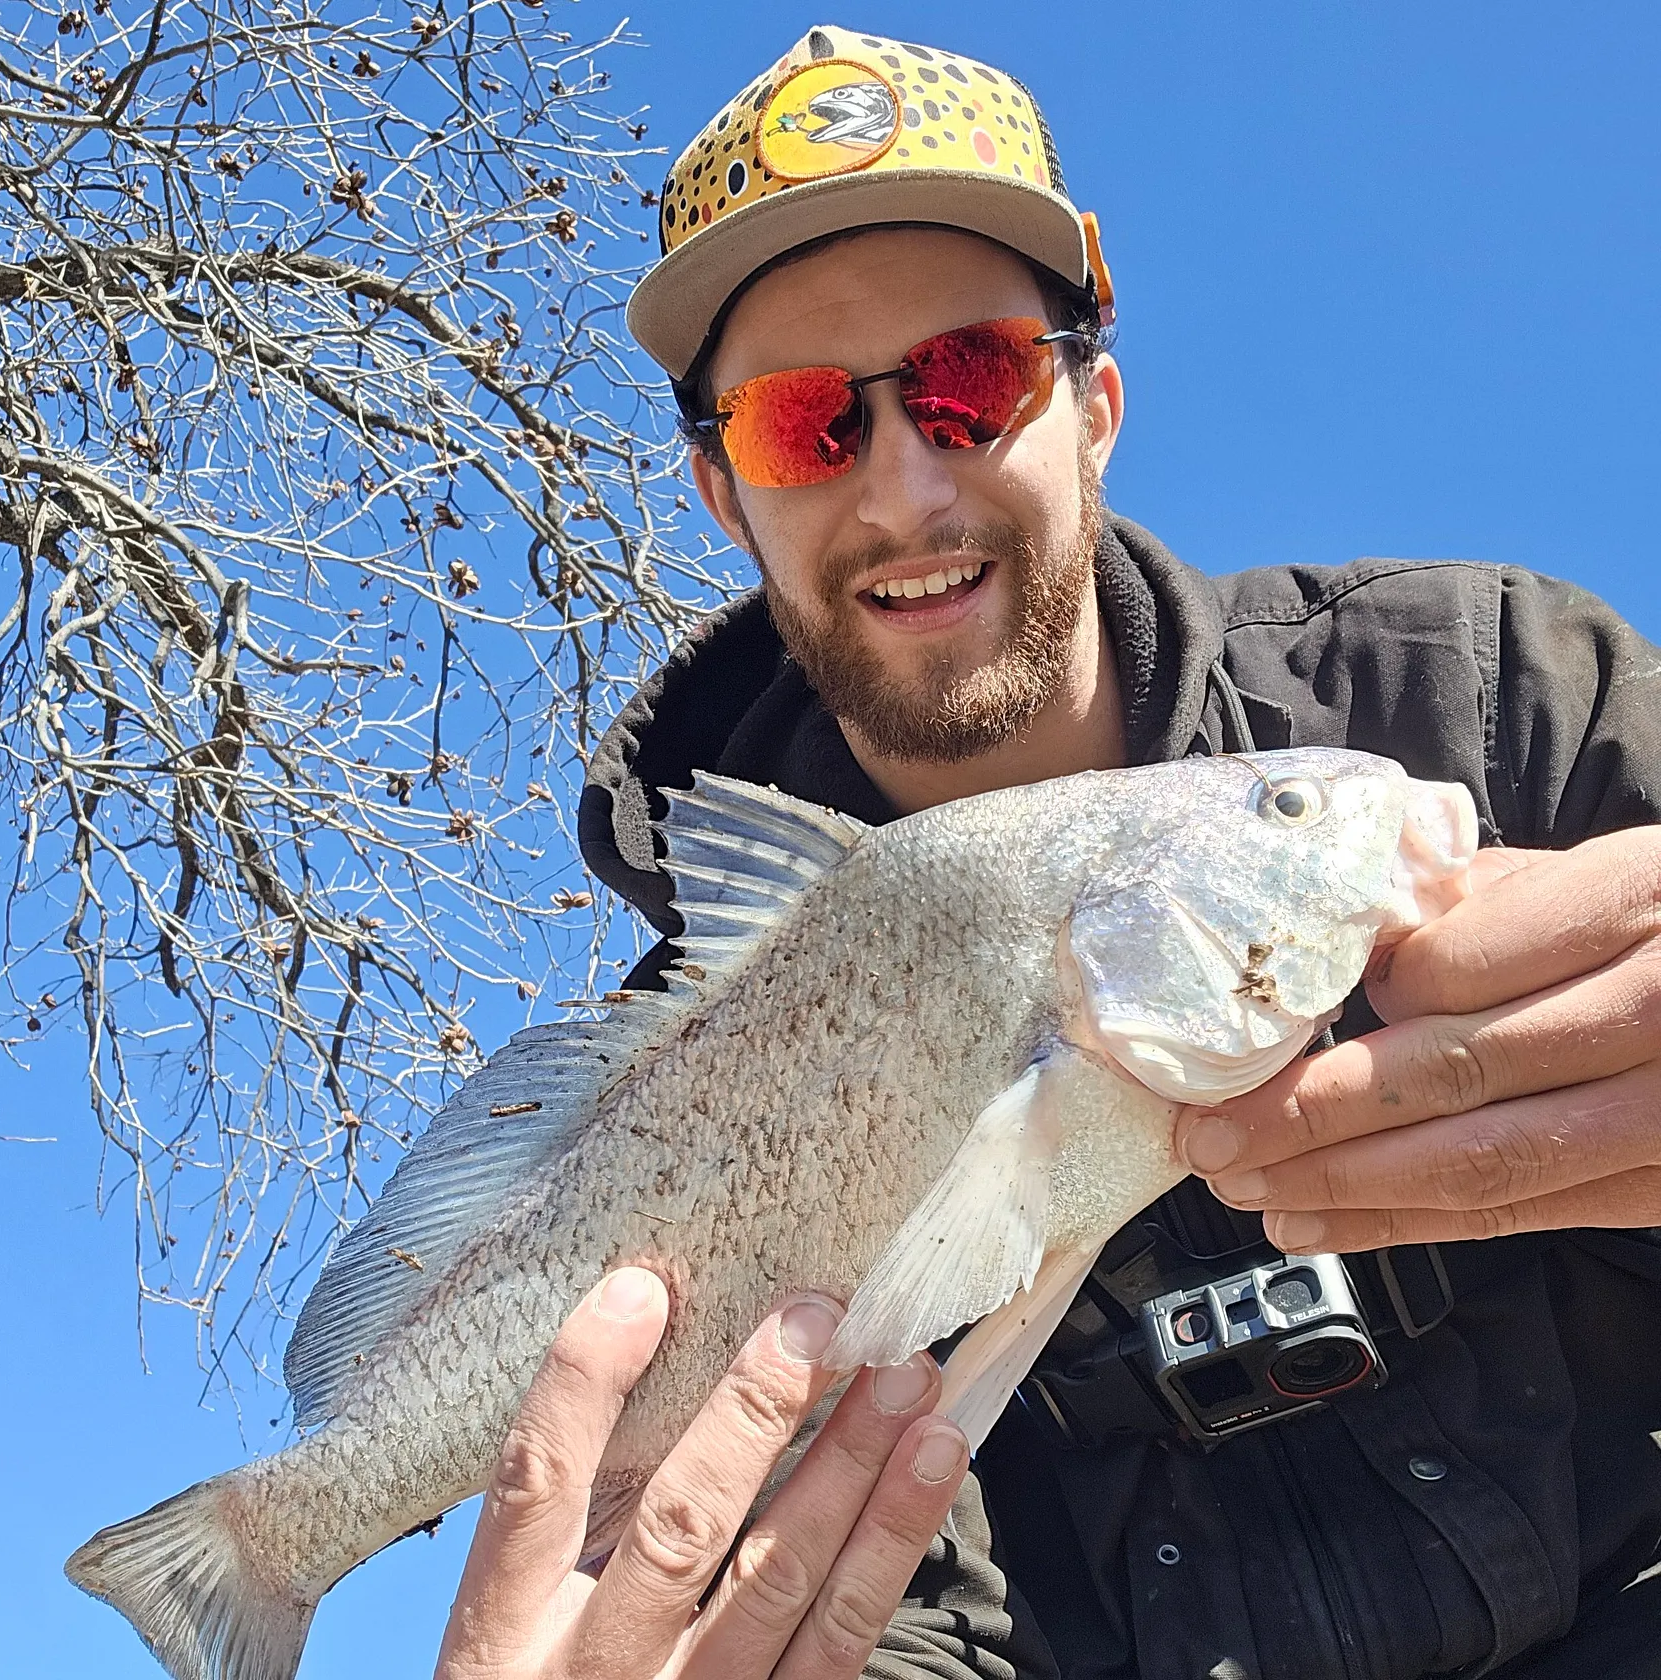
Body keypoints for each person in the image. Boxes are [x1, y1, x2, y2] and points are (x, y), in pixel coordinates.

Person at [434, 26, 1661, 1680]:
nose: (907, 484)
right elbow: (888, 1611)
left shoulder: (1504, 691)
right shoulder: (694, 1076)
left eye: (969, 381)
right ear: (728, 498)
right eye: (809, 424)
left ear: (1092, 404)